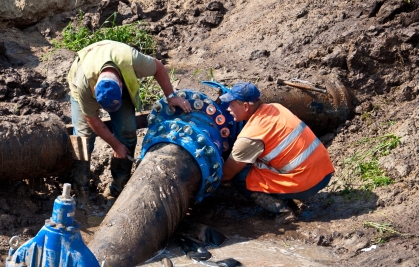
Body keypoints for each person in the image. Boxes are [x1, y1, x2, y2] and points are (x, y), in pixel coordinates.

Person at [68, 40, 191, 199]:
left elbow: (158, 67)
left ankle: (118, 188)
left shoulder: (132, 60)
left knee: (127, 132)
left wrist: (171, 96)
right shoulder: (84, 81)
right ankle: (80, 190)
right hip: (83, 80)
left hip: (117, 74)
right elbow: (92, 119)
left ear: (120, 84)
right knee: (82, 139)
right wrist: (115, 145)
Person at [221, 82, 334, 223]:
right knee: (256, 161)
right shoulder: (276, 107)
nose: (228, 109)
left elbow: (227, 174)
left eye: (231, 105)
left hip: (309, 182)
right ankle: (290, 201)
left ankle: (283, 212)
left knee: (240, 176)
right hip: (325, 170)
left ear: (245, 106)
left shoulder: (251, 136)